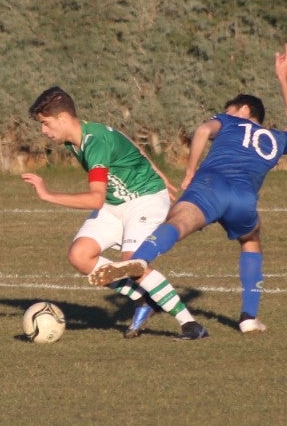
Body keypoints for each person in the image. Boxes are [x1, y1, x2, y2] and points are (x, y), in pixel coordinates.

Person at [91, 43, 287, 337]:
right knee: (251, 238)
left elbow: (203, 131)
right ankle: (249, 318)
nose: (223, 112)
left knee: (176, 224)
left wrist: (190, 171)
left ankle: (138, 261)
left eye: (227, 108)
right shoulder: (277, 140)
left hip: (210, 186)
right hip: (244, 200)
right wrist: (283, 77)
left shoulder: (230, 121)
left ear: (243, 110)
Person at [21, 87, 201, 339]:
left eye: (45, 123)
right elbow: (125, 141)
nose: (44, 131)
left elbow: (96, 198)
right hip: (115, 205)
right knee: (80, 255)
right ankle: (143, 300)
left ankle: (190, 324)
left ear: (63, 118)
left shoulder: (93, 142)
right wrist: (156, 169)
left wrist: (49, 195)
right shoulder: (81, 135)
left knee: (132, 262)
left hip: (144, 200)